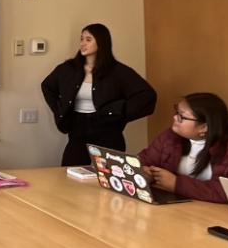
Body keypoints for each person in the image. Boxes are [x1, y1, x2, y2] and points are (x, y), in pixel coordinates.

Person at [41, 23, 156, 165]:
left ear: (101, 42)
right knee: (70, 172)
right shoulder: (68, 69)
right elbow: (47, 86)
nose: (83, 43)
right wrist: (59, 110)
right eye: (81, 39)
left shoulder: (118, 71)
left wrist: (119, 110)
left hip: (107, 130)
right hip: (77, 129)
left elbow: (147, 95)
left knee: (108, 175)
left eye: (88, 39)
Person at [138, 92, 228, 203]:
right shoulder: (171, 137)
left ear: (204, 127)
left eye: (181, 116)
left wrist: (177, 184)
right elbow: (143, 160)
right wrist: (145, 173)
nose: (174, 117)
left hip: (222, 217)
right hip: (182, 211)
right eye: (176, 111)